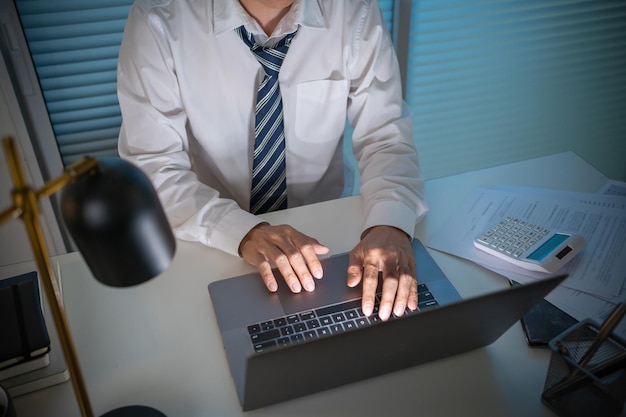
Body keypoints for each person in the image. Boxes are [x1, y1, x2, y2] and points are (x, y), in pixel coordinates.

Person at [117, 0, 427, 321]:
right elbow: (152, 167)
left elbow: (384, 135)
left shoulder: (353, 9)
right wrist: (242, 231)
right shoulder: (159, 18)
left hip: (325, 238)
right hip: (210, 237)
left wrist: (389, 224)